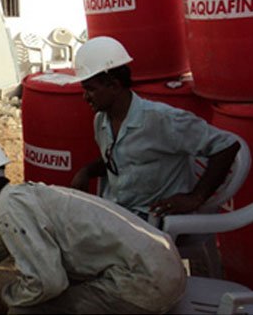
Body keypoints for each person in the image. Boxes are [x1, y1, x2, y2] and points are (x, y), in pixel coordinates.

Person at [0, 136, 187, 314]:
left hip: (146, 284)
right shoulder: (20, 198)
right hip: (161, 265)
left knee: (24, 308)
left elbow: (48, 283)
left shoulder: (11, 209)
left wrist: (6, 297)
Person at [69, 36, 241, 221]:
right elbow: (121, 161)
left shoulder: (162, 120)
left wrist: (196, 197)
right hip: (118, 213)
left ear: (114, 86)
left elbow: (226, 145)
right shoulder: (101, 121)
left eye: (91, 89)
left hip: (153, 220)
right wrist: (86, 171)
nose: (85, 97)